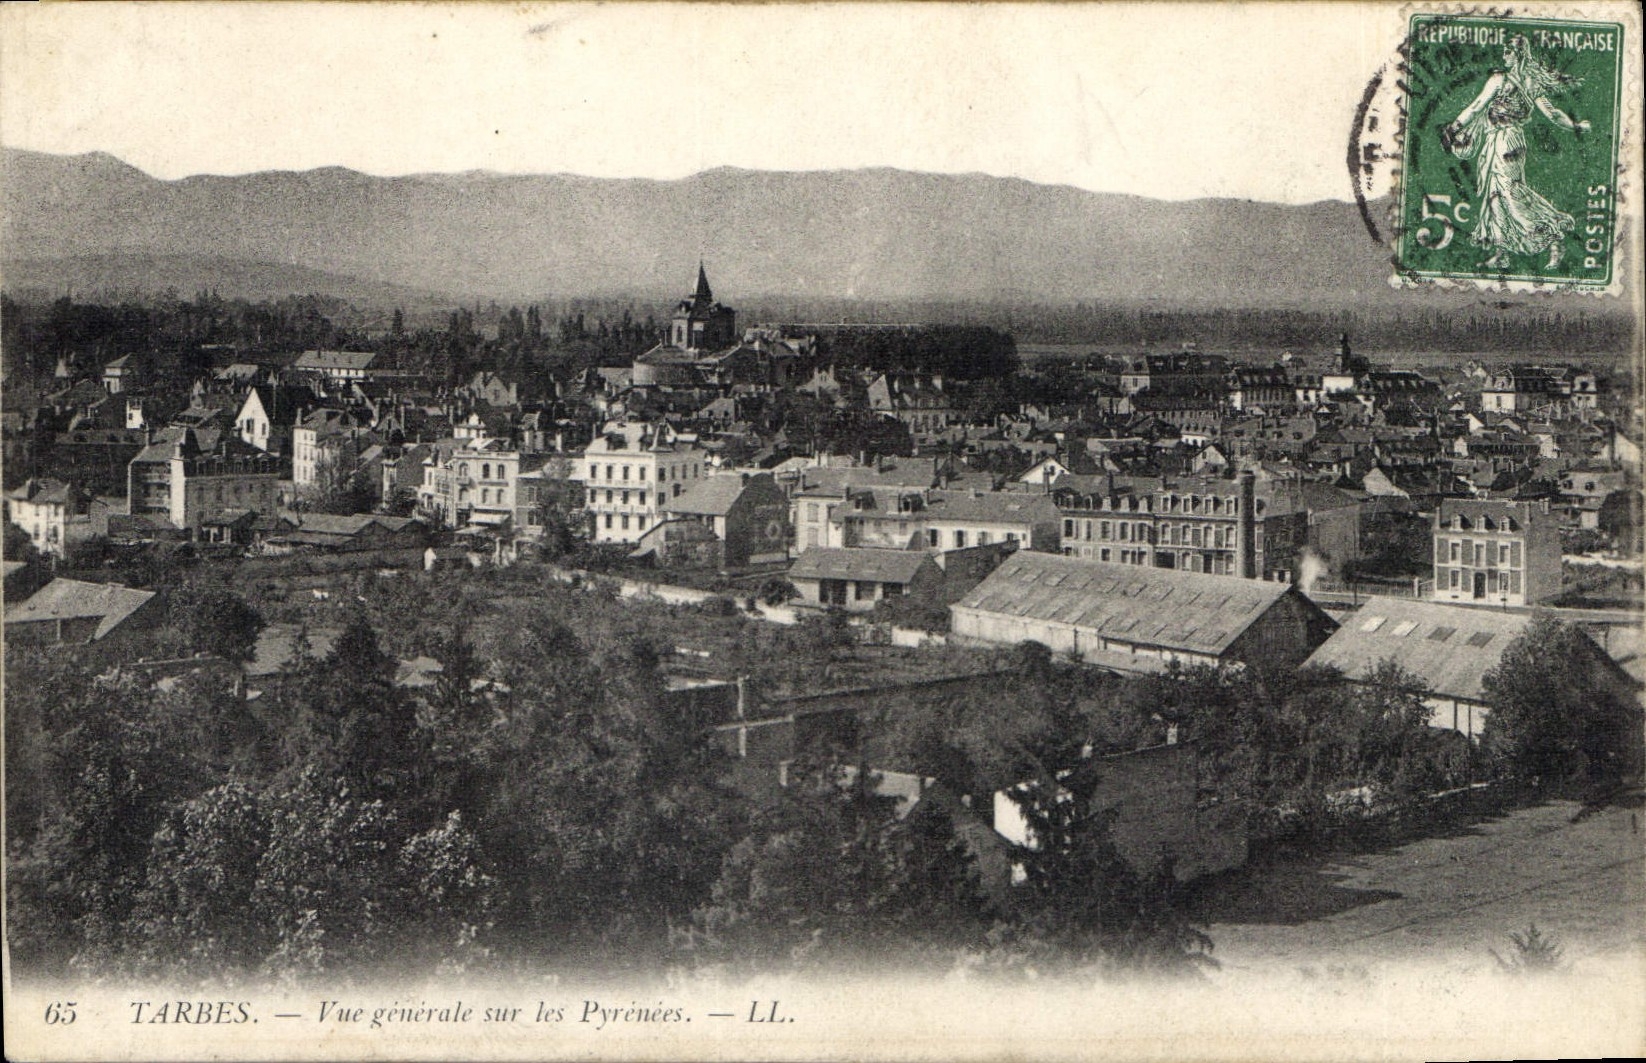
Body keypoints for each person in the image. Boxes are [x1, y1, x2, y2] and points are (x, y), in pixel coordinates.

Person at [1443, 35, 1591, 270]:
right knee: (1496, 197)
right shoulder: (1531, 83)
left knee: (1510, 195)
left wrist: (1453, 128)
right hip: (1510, 141)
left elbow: (1476, 106)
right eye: (1505, 50)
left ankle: (1554, 236)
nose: (1504, 55)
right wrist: (1574, 126)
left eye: (1508, 51)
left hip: (1503, 141)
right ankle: (1502, 252)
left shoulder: (1499, 80)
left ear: (1520, 54)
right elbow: (1553, 114)